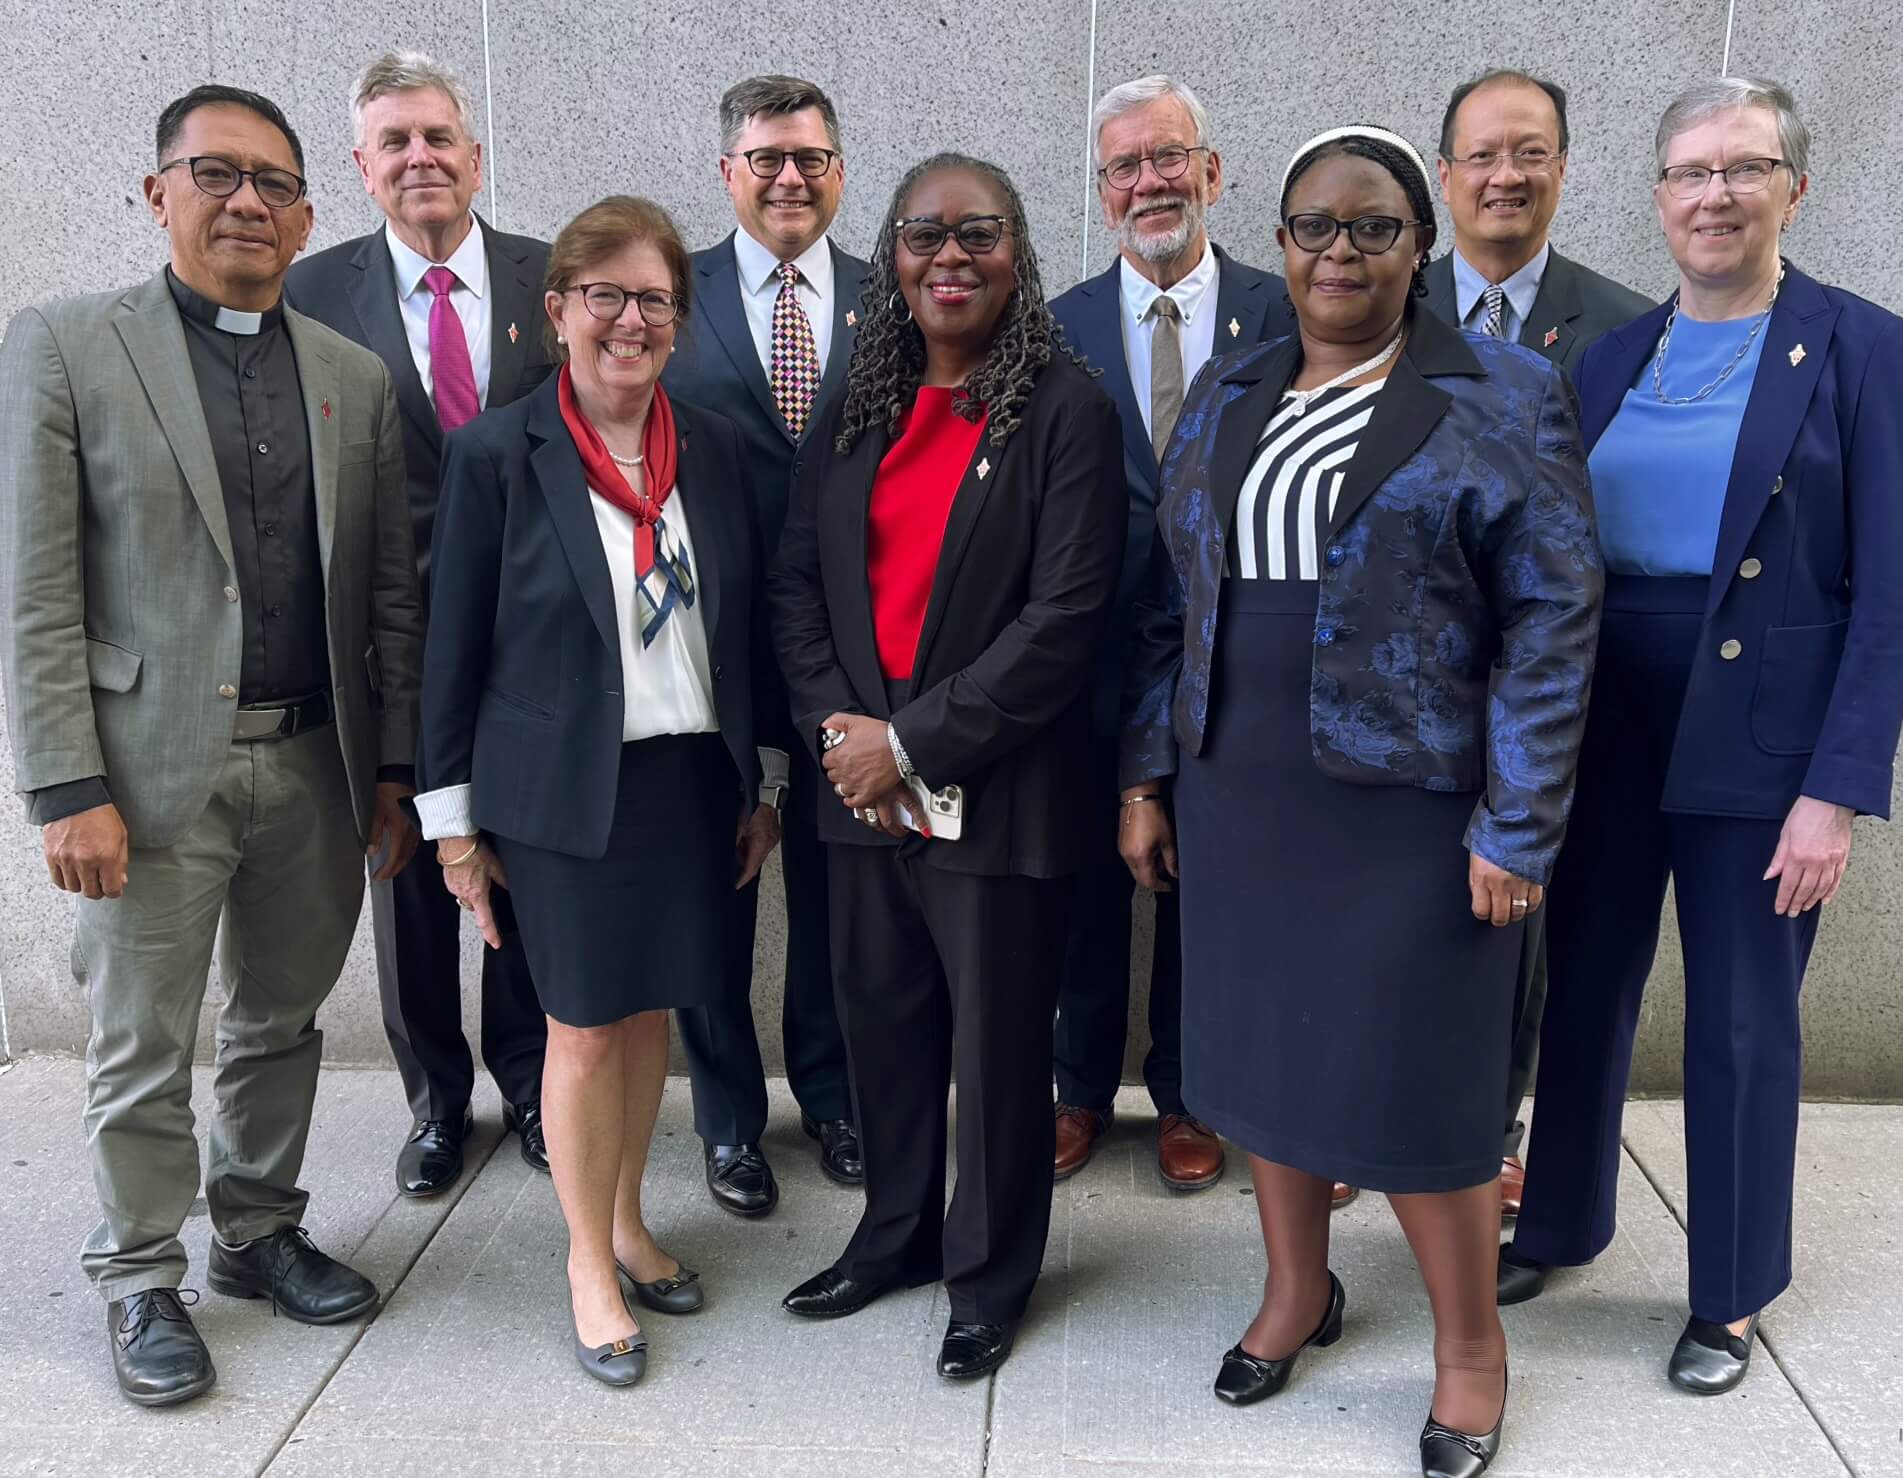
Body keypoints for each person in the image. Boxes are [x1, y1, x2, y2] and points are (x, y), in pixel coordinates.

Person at [1119, 127, 1599, 1477]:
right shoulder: (1230, 385)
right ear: (1276, 244)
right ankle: (1294, 1290)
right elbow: (1171, 598)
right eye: (1314, 227)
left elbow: (1553, 621)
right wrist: (1145, 772)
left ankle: (1465, 1349)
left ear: (1418, 244)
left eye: (1372, 227)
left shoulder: (1496, 391)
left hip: (1410, 809)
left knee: (1421, 1082)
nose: (1338, 251)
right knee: (1264, 1059)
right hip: (1240, 793)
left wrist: (1517, 822)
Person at [0, 85, 423, 1407]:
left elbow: (389, 595)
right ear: (157, 192)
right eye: (216, 173)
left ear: (305, 216)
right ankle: (137, 1274)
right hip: (142, 774)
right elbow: (37, 585)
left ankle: (255, 1228)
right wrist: (68, 783)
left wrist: (395, 769)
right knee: (141, 1037)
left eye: (275, 184)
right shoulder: (69, 346)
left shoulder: (353, 377)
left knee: (281, 1016)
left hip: (314, 764)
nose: (247, 202)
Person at [1499, 77, 1903, 1397]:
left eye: (1742, 168)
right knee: (1582, 983)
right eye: (1687, 172)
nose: (1713, 194)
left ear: (1793, 183)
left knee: (1739, 1020)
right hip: (1605, 720)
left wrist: (1833, 790)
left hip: (1762, 740)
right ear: (1656, 193)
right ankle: (1555, 1219)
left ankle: (1726, 1293)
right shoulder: (1608, 355)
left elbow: (1887, 589)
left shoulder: (1859, 348)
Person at [412, 196, 783, 1385]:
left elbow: (749, 631)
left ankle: (626, 1218)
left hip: (687, 778)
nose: (631, 320)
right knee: (578, 1024)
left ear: (680, 318)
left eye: (656, 299)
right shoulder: (496, 453)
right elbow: (450, 650)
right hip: (563, 792)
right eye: (607, 296)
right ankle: (584, 1258)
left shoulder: (713, 446)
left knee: (646, 1014)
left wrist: (761, 776)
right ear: (558, 308)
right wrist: (453, 830)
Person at [770, 153, 1125, 1381]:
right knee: (885, 1027)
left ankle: (988, 1273)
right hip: (859, 794)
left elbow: (1067, 618)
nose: (949, 258)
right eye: (924, 235)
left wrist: (908, 741)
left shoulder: (1063, 408)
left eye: (977, 234)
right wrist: (839, 737)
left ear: (1016, 252)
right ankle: (895, 1236)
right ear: (893, 255)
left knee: (999, 1046)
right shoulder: (857, 400)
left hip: (998, 793)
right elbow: (797, 584)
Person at [286, 48, 553, 1198]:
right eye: (393, 142)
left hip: (535, 640)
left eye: (438, 136)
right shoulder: (309, 294)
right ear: (360, 166)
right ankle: (436, 1100)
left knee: (531, 868)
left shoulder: (554, 278)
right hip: (384, 650)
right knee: (408, 874)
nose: (420, 158)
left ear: (475, 153)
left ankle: (535, 1082)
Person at [1404, 69, 1653, 1218]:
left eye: (1531, 152)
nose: (1506, 176)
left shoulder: (1624, 328)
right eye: (1482, 155)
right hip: (1405, 689)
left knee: (1522, 919)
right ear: (1444, 175)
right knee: (1401, 909)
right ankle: (1388, 1109)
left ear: (1564, 167)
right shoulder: (1379, 306)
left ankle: (1499, 1124)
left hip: (1549, 684)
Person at [1047, 73, 1293, 1197]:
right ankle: (1079, 1084)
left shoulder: (1283, 308)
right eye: (1123, 167)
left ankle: (1191, 1090)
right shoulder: (1056, 328)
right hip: (1086, 660)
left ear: (1211, 170)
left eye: (1166, 157)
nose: (1149, 181)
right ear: (1102, 195)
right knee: (1085, 881)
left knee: (1211, 877)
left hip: (1232, 657)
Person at [662, 74, 868, 1214]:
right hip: (705, 646)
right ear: (726, 172)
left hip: (848, 649)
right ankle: (729, 1119)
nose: (789, 177)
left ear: (838, 170)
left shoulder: (892, 296)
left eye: (810, 158)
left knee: (839, 886)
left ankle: (831, 1096)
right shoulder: (668, 295)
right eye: (765, 158)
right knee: (715, 885)